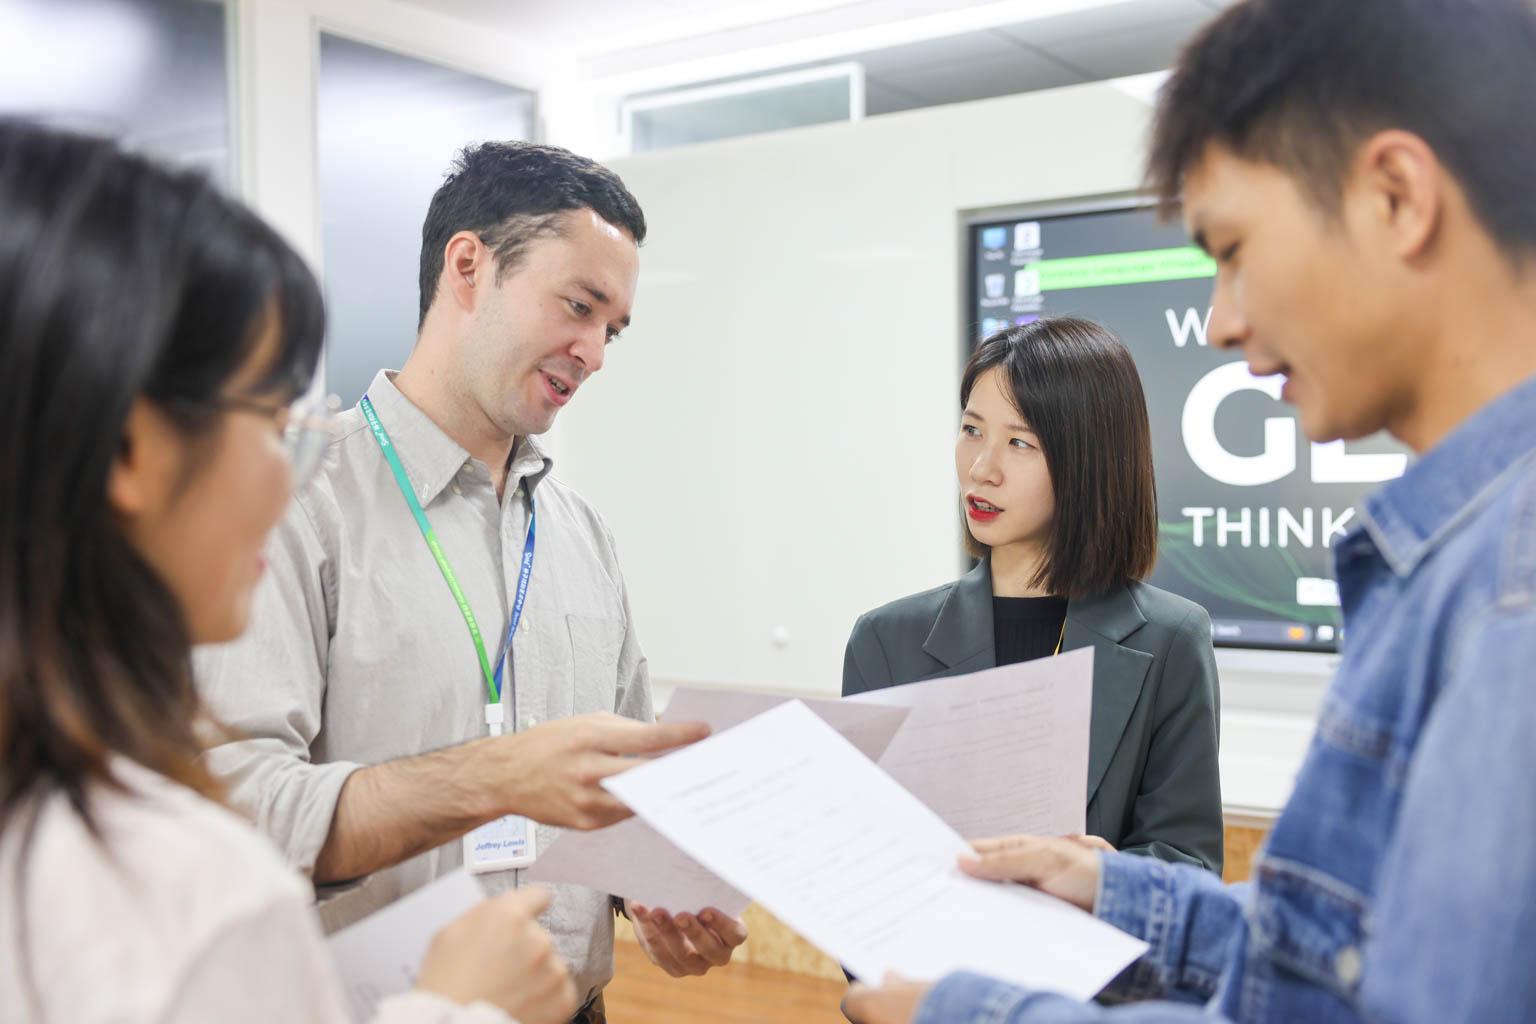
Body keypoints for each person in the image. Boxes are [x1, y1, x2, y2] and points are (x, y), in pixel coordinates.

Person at [843, 0, 1536, 1021]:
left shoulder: (1507, 588)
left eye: (1235, 248)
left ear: (1395, 196)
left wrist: (969, 1011)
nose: (1220, 322)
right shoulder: (1460, 557)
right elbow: (1336, 955)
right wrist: (1114, 887)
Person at [0, 119, 580, 1023]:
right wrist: (456, 1008)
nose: (292, 474)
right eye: (272, 419)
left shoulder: (580, 528)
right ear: (131, 450)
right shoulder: (189, 893)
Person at [192, 140, 746, 1020]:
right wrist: (490, 775)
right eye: (579, 306)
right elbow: (238, 805)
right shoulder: (296, 504)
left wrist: (646, 887)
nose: (595, 352)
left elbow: (620, 784)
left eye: (612, 329)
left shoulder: (583, 536)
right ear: (467, 267)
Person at [843, 317, 1222, 871]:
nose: (981, 469)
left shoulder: (1171, 639)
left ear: (1089, 460)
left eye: (1019, 442)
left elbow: (1189, 866)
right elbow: (859, 861)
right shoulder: (884, 641)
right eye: (972, 430)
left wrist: (1108, 878)